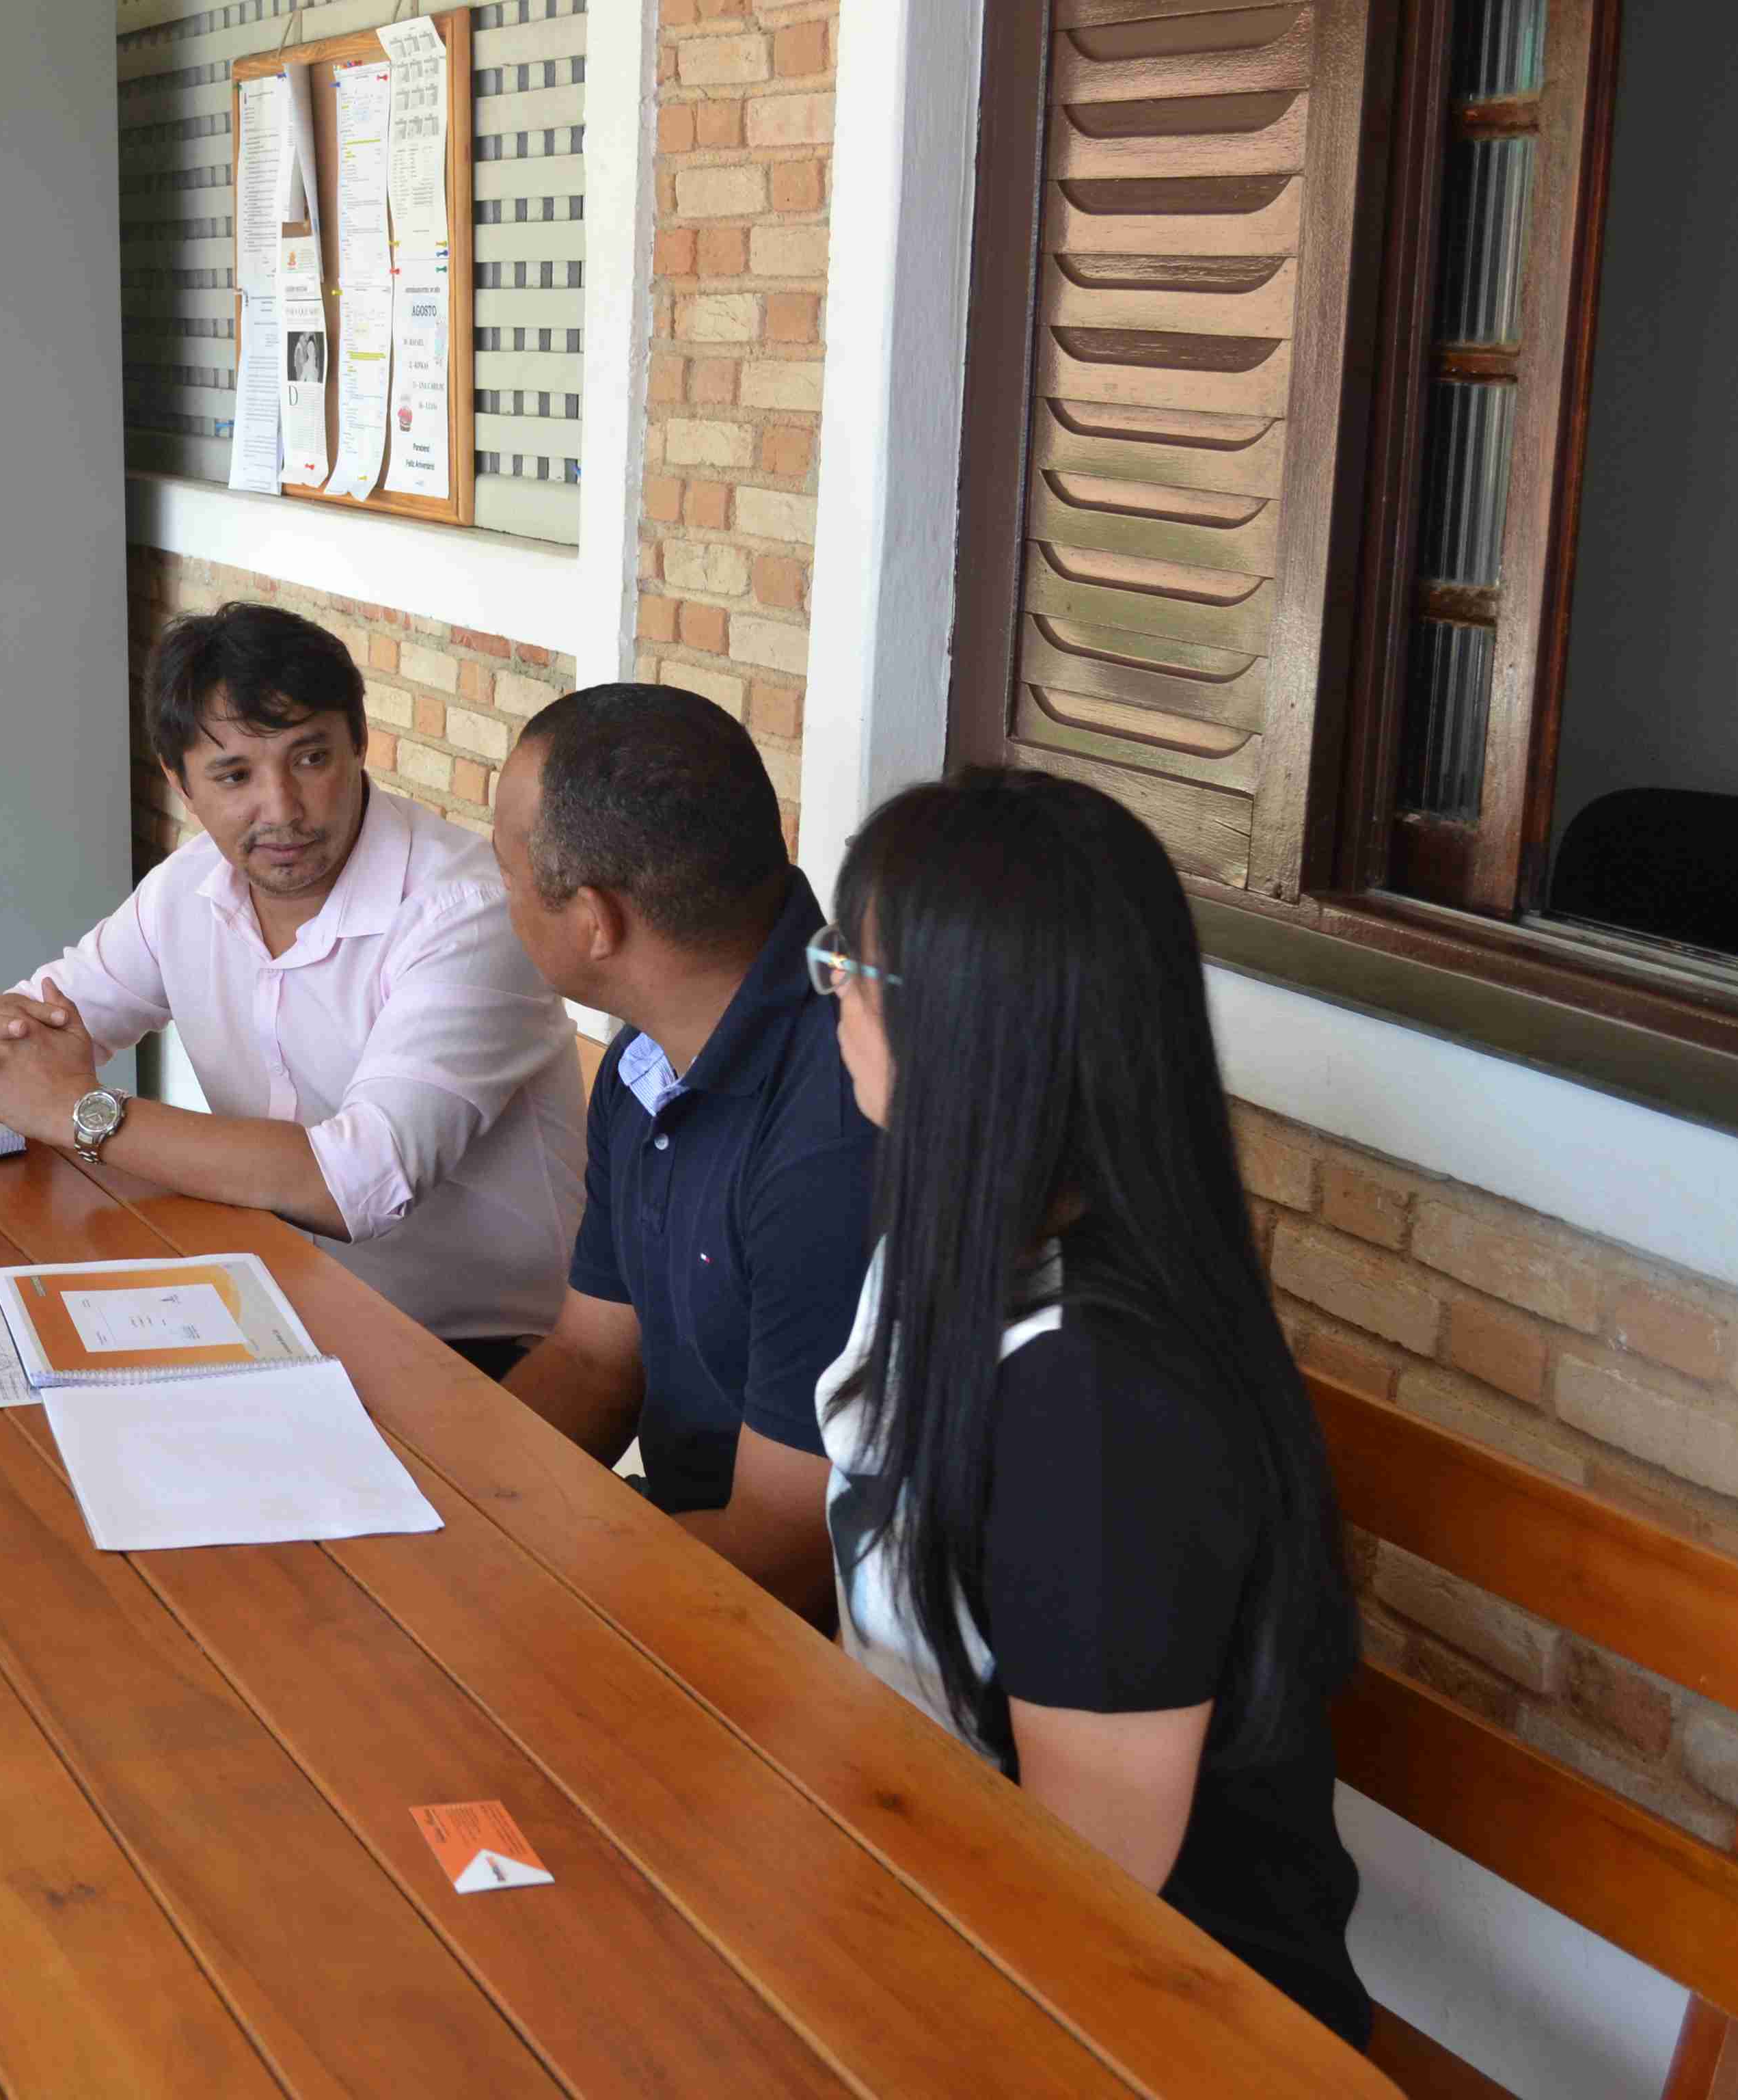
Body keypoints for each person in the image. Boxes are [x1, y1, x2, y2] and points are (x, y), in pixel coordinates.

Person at [812, 766, 1370, 2047]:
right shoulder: (957, 1233)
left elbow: (1085, 1878)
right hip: (926, 1892)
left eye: (850, 964)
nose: (829, 995)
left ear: (971, 1029)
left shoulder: (1105, 1408)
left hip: (1150, 2022)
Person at [0, 602, 583, 1369]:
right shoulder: (185, 888)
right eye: (235, 775)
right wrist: (9, 1053)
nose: (282, 809)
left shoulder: (468, 911)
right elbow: (45, 1026)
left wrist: (77, 1110)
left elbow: (363, 1184)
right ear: (181, 784)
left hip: (474, 1348)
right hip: (276, 1300)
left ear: (360, 745)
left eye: (311, 758)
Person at [488, 686, 873, 1622]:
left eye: (505, 871)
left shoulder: (839, 1121)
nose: (496, 899)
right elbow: (592, 1359)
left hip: (801, 1660)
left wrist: (504, 1591)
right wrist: (451, 1498)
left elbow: (792, 1547)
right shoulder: (648, 1055)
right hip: (679, 1571)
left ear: (594, 921)